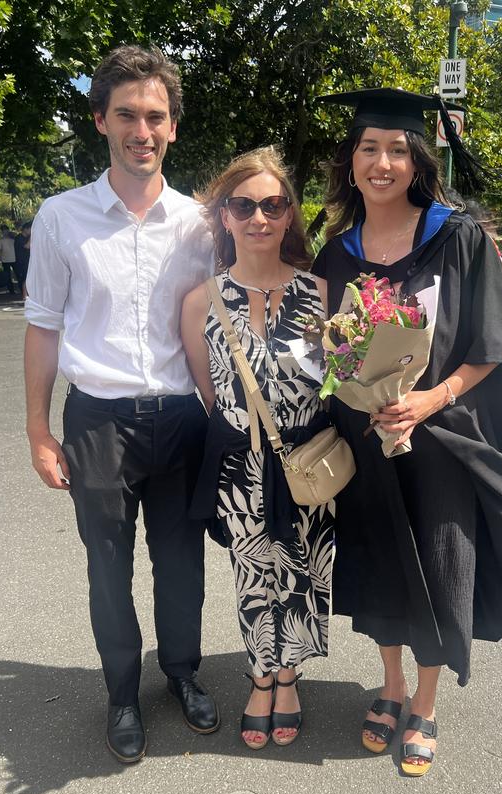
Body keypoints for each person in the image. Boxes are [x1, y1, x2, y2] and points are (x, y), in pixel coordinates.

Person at [312, 88, 502, 777]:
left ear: (417, 160)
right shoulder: (338, 253)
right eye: (368, 148)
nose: (382, 162)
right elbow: (326, 346)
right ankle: (391, 685)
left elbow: (491, 344)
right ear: (350, 161)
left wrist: (429, 398)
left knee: (437, 564)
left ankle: (425, 703)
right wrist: (351, 384)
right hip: (369, 441)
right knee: (378, 562)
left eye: (397, 149)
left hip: (439, 442)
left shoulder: (457, 236)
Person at [24, 45, 218, 764]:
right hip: (99, 419)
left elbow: (221, 319)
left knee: (182, 563)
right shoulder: (61, 219)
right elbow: (43, 328)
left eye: (156, 117)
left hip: (181, 419)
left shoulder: (200, 224)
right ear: (100, 119)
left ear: (172, 127)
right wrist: (38, 430)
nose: (143, 129)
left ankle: (183, 674)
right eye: (128, 114)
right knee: (108, 565)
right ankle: (123, 692)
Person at [181, 146, 333, 751]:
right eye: (244, 206)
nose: (259, 218)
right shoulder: (200, 301)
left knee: (303, 571)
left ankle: (289, 678)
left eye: (274, 205)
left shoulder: (321, 293)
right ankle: (260, 674)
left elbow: (338, 380)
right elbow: (207, 391)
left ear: (290, 214)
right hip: (242, 466)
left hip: (308, 462)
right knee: (251, 574)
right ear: (224, 216)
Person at [0, 225, 19, 293]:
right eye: (4, 231)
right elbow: (0, 252)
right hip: (6, 259)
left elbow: (0, 252)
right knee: (9, 275)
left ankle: (17, 289)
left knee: (16, 274)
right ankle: (12, 290)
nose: (5, 232)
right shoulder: (1, 241)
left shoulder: (13, 239)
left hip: (12, 259)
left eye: (6, 230)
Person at [14, 221, 32, 299]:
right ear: (25, 229)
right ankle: (24, 295)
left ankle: (27, 294)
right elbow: (27, 246)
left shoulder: (27, 238)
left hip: (28, 260)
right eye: (30, 229)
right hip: (21, 261)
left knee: (28, 277)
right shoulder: (19, 238)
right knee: (24, 278)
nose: (31, 231)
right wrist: (32, 236)